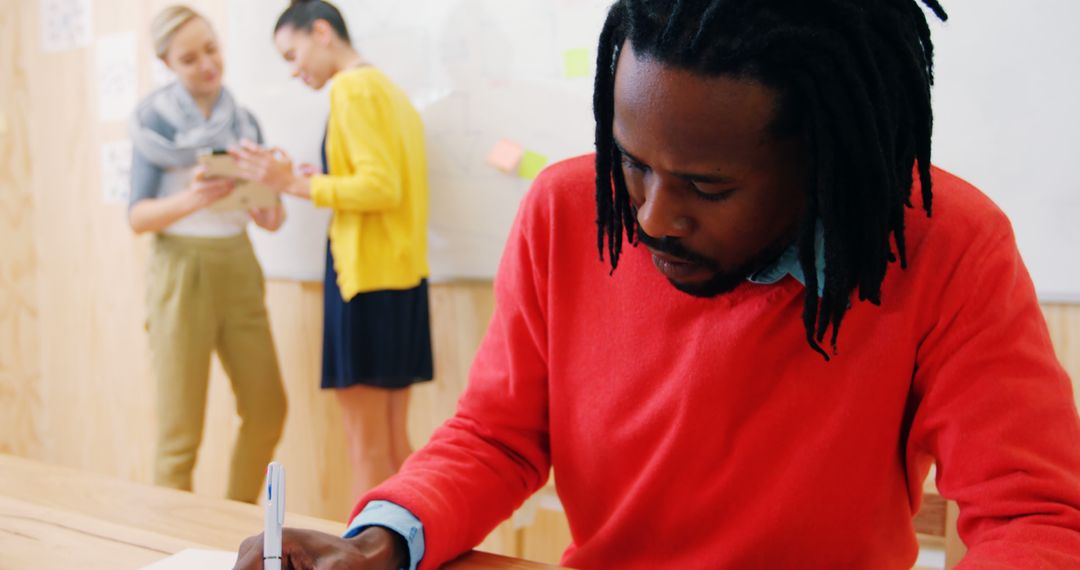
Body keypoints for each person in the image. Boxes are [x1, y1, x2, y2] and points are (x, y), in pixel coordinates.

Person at [234, 1, 1080, 568]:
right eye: (630, 163)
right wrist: (386, 536)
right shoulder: (568, 209)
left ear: (823, 165)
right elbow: (497, 435)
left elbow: (1035, 518)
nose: (649, 217)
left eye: (706, 188)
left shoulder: (948, 246)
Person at [231, 0, 433, 499]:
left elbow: (379, 187)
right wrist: (302, 178)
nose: (294, 69)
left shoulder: (352, 87)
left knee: (365, 449)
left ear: (321, 31)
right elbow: (380, 181)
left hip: (364, 280)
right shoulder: (388, 89)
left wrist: (291, 184)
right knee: (392, 445)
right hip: (399, 278)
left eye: (292, 53)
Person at [128, 5, 287, 504]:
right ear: (168, 64)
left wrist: (269, 194)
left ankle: (234, 527)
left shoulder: (245, 120)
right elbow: (137, 217)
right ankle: (172, 549)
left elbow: (273, 219)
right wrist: (196, 196)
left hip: (239, 263)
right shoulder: (152, 122)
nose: (206, 65)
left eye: (212, 49)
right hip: (181, 268)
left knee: (267, 410)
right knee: (180, 433)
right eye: (189, 58)